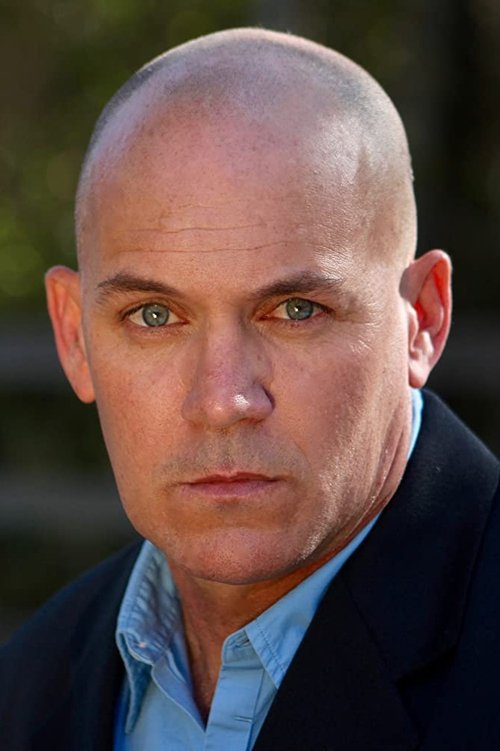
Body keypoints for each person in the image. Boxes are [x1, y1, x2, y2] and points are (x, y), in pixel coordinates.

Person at [1, 27, 499, 751]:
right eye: (154, 315)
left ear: (421, 319)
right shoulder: (30, 687)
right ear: (74, 337)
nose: (223, 400)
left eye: (296, 310)